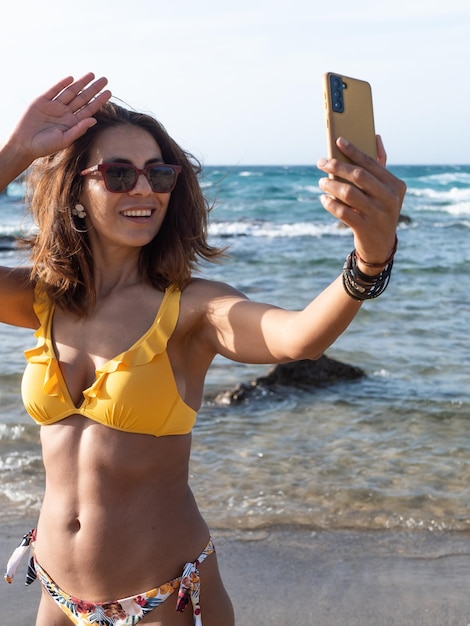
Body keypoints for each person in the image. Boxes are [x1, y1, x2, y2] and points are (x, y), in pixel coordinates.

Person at [1, 73, 406, 626]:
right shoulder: (45, 297)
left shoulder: (193, 310)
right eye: (118, 174)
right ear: (75, 188)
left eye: (159, 174)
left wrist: (370, 259)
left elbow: (300, 336)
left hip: (162, 600)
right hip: (56, 595)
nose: (143, 189)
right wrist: (16, 152)